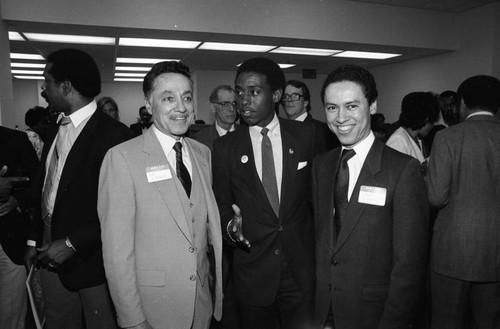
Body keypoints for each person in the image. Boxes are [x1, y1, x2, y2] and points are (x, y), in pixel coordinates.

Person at [98, 61, 223, 329]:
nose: (181, 107)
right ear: (148, 105)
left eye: (187, 97)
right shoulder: (122, 158)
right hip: (153, 309)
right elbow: (117, 253)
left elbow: (198, 224)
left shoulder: (202, 154)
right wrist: (132, 320)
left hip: (200, 306)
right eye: (169, 98)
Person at [313, 65, 429, 329]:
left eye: (351, 106)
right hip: (324, 311)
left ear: (372, 106)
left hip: (374, 314)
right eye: (332, 107)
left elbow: (408, 268)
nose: (341, 117)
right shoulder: (322, 165)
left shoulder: (402, 170)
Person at [24, 48, 132, 329]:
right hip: (48, 250)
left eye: (46, 81)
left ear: (66, 86)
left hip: (92, 256)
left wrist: (72, 243)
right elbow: (44, 187)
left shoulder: (114, 135)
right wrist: (33, 241)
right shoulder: (56, 126)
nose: (43, 90)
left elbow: (120, 209)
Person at [212, 57, 315, 329]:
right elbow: (222, 203)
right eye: (240, 92)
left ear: (276, 95)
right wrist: (230, 229)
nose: (243, 101)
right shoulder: (225, 149)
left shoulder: (307, 137)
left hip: (300, 271)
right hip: (253, 273)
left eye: (254, 92)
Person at [427, 75, 500, 329]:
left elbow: (436, 196)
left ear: (462, 103)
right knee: (489, 321)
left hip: (453, 250)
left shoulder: (448, 137)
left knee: (446, 321)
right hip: (495, 253)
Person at [0, 126, 38, 329]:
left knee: (12, 317)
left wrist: (18, 200)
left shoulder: (16, 140)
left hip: (10, 241)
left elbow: (39, 184)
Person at [281, 79, 339, 153]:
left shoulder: (323, 132)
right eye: (286, 96)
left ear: (305, 102)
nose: (289, 100)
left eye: (295, 96)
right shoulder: (281, 129)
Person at [386, 91, 439, 171]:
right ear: (426, 119)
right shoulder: (397, 141)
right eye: (433, 121)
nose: (433, 126)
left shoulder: (416, 139)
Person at [192, 85, 239, 151]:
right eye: (225, 104)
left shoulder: (247, 135)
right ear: (213, 107)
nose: (231, 109)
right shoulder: (199, 140)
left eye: (234, 104)